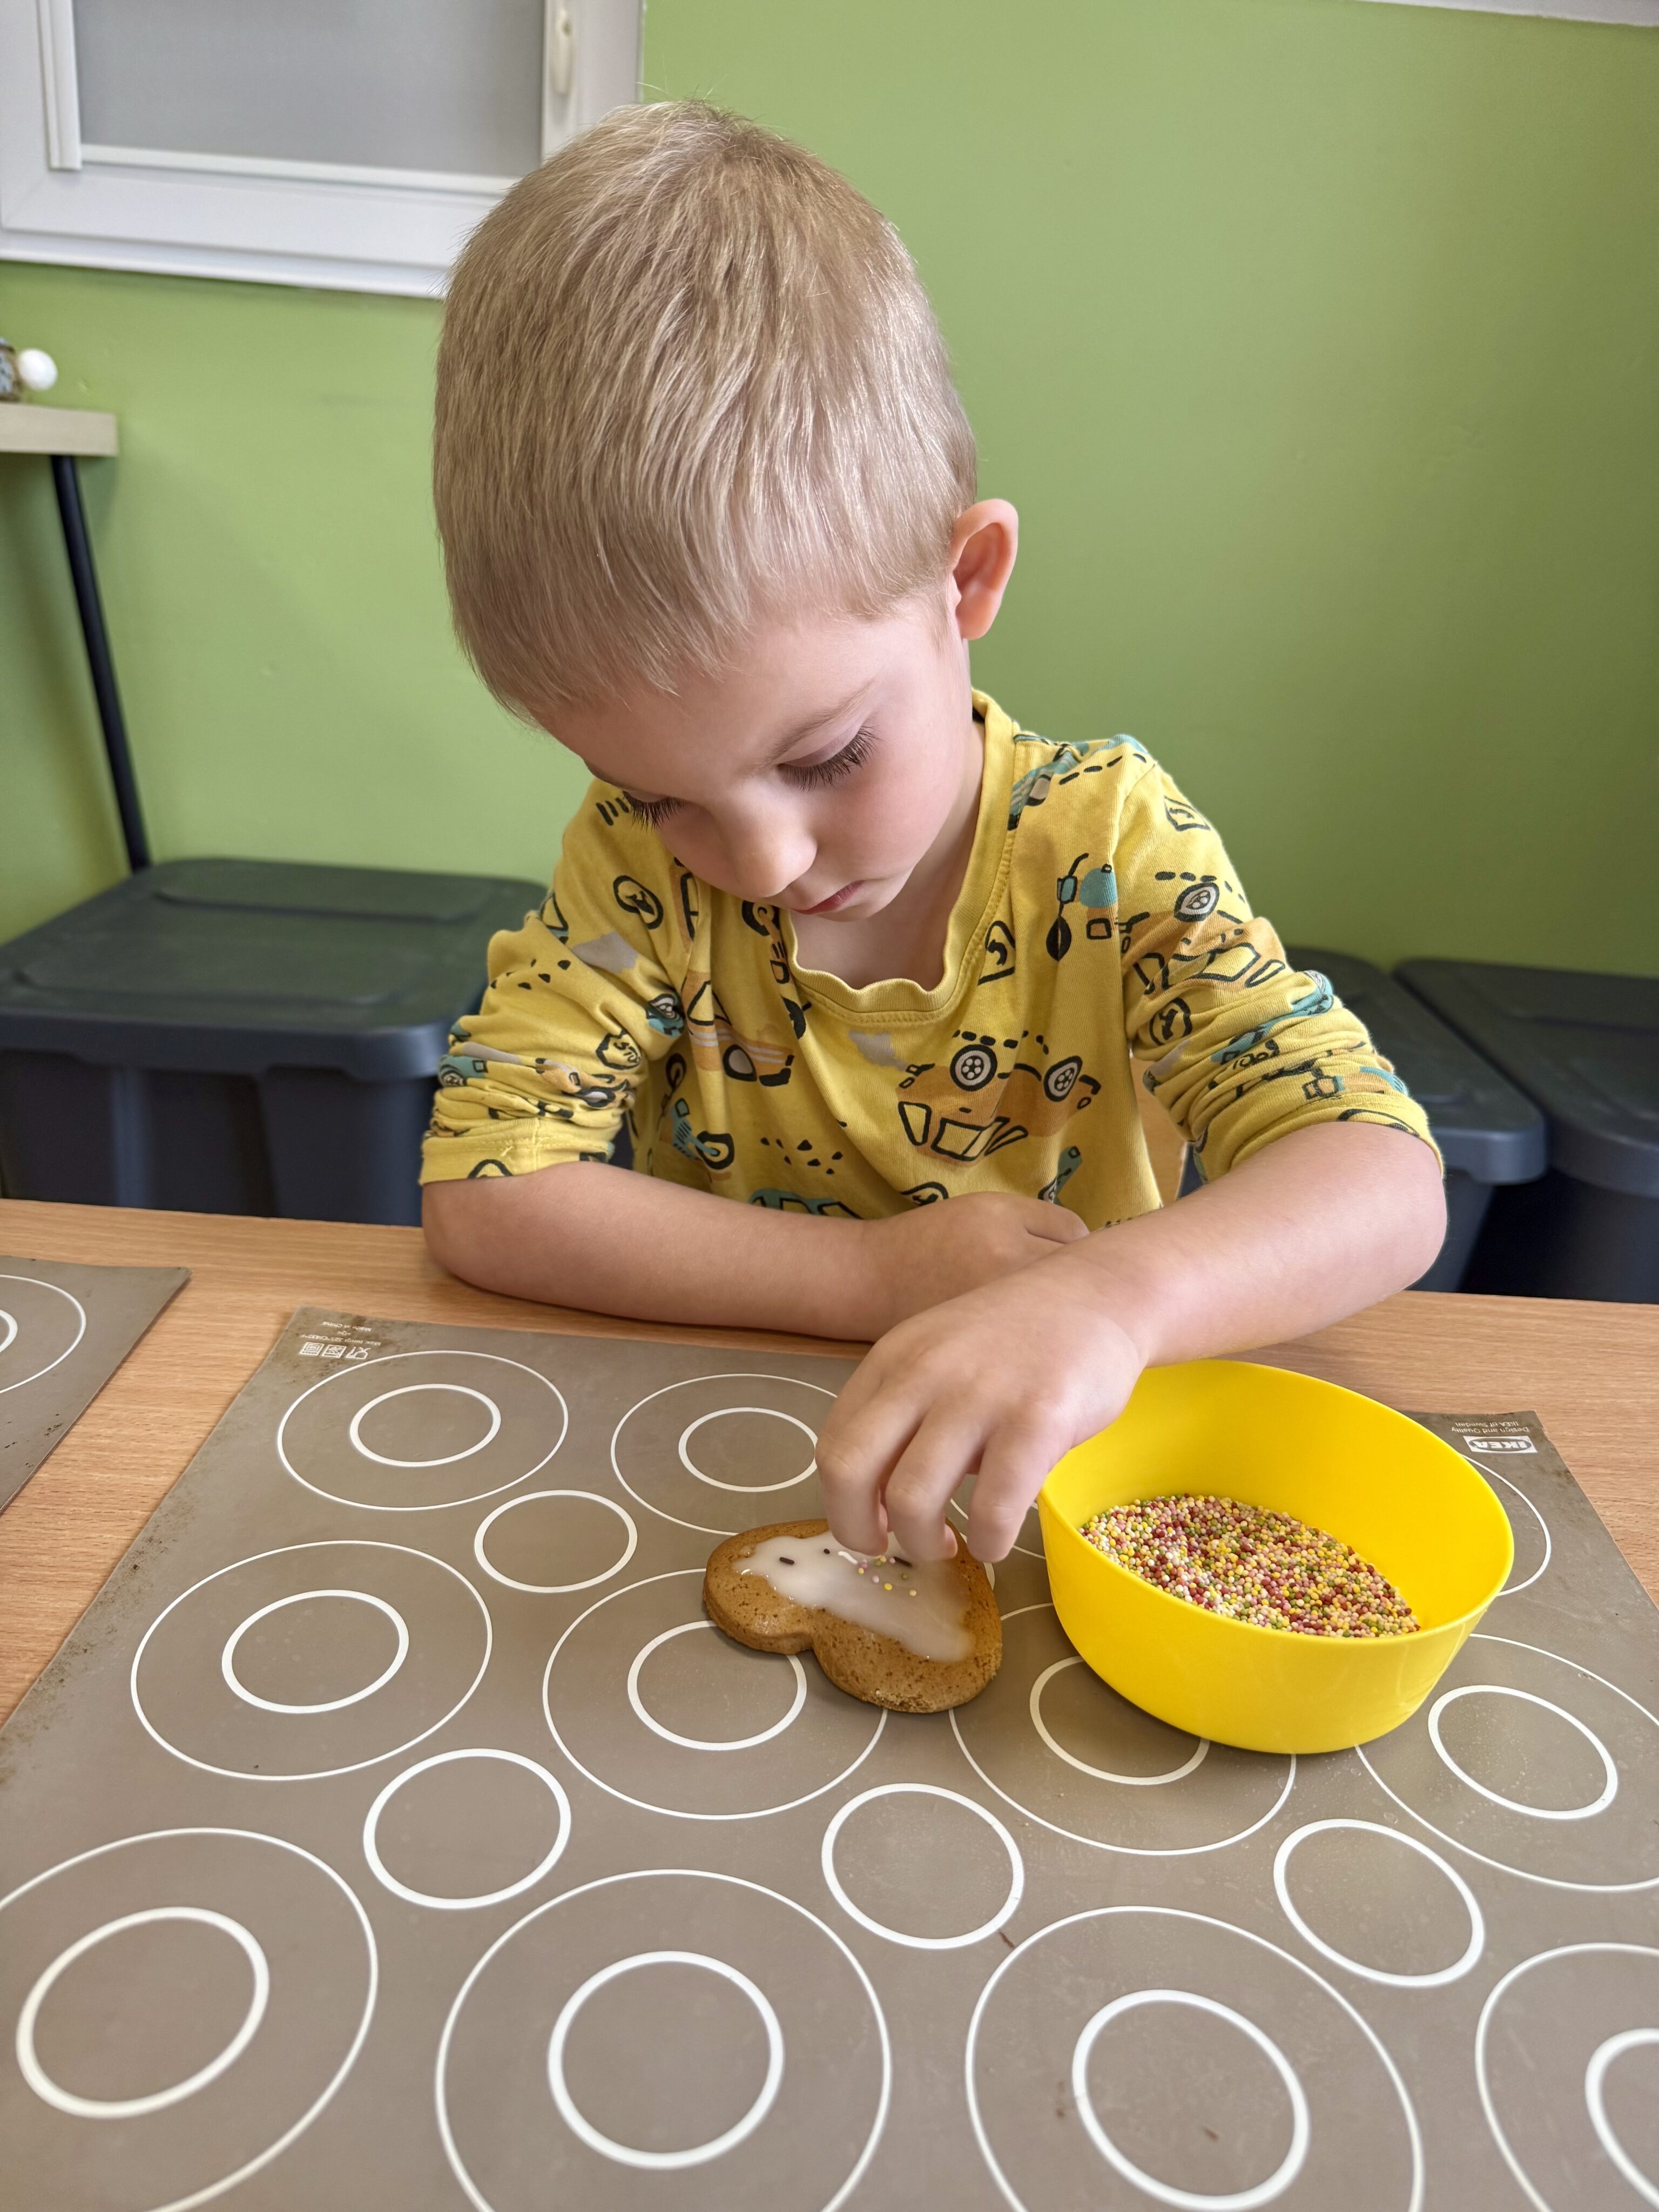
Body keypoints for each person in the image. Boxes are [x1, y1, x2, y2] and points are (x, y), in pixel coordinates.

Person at [422, 101, 1445, 1567]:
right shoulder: (637, 871)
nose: (763, 864)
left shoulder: (1110, 846)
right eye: (662, 795)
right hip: (705, 1472)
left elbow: (1384, 1180)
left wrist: (1114, 1301)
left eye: (826, 756)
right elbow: (484, 1194)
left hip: (1056, 1497)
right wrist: (872, 1276)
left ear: (966, 579)